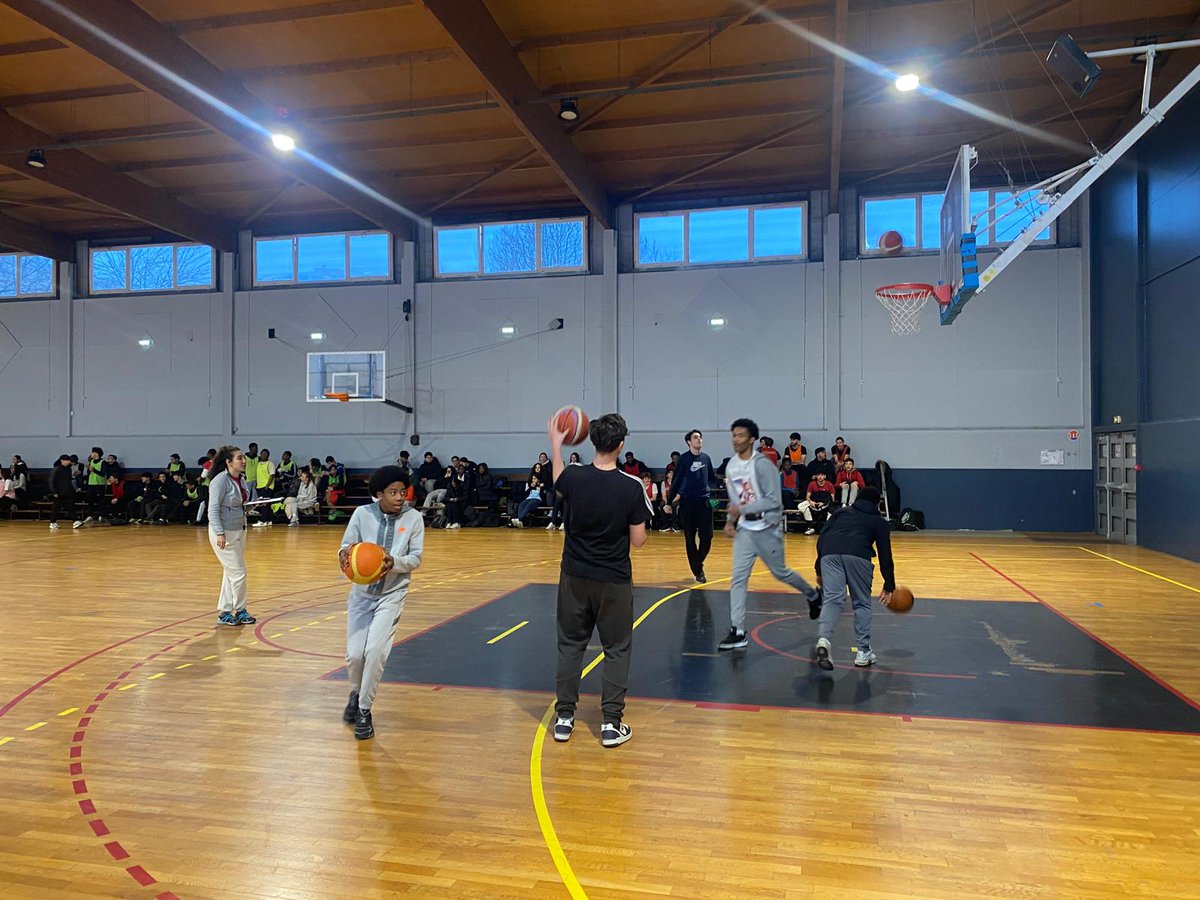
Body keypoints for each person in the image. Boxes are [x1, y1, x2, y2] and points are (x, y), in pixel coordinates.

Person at [548, 412, 651, 748]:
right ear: (621, 445)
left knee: (570, 644)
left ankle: (564, 718)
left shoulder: (574, 479)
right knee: (617, 648)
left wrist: (556, 444)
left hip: (574, 576)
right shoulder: (631, 486)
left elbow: (559, 480)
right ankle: (610, 724)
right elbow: (638, 540)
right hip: (613, 580)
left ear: (591, 441)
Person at [338, 465, 424, 741]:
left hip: (391, 595)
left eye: (403, 491)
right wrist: (343, 556)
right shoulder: (362, 514)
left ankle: (364, 709)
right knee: (355, 655)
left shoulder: (413, 519)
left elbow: (416, 558)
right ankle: (356, 691)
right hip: (362, 595)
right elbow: (347, 546)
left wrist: (394, 562)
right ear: (379, 494)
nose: (400, 497)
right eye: (393, 492)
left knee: (375, 650)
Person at [721, 418, 821, 650]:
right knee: (738, 578)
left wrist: (741, 510)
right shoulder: (731, 466)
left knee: (781, 573)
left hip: (767, 529)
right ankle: (737, 630)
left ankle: (813, 596)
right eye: (733, 435)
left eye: (740, 435)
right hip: (746, 530)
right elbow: (735, 499)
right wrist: (731, 520)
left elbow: (773, 500)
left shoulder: (763, 465)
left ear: (752, 439)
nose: (736, 439)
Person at [814, 486, 895, 670]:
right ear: (877, 503)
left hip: (830, 553)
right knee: (861, 603)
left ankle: (824, 640)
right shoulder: (879, 521)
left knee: (832, 601)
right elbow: (885, 554)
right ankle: (863, 652)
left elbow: (823, 538)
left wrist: (819, 568)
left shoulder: (840, 512)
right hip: (858, 555)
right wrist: (889, 584)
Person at [207, 446, 256, 627]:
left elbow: (239, 505)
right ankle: (241, 610)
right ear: (228, 462)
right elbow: (213, 509)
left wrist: (252, 506)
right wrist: (219, 533)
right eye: (239, 458)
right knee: (239, 573)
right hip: (224, 533)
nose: (243, 461)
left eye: (243, 458)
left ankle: (225, 612)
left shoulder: (240, 479)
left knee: (231, 572)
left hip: (238, 529)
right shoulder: (220, 481)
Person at [662, 429, 718, 584]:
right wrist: (669, 502)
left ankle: (697, 563)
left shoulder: (706, 458)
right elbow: (676, 482)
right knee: (690, 538)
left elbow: (712, 478)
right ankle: (697, 571)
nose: (699, 440)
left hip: (704, 503)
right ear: (689, 442)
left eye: (700, 437)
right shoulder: (684, 459)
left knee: (707, 537)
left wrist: (723, 482)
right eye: (696, 438)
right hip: (688, 503)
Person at [797, 470, 834, 535]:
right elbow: (807, 497)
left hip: (824, 503)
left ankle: (828, 529)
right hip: (814, 502)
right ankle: (810, 527)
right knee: (802, 506)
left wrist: (823, 503)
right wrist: (811, 502)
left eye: (822, 475)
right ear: (816, 476)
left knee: (831, 510)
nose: (820, 477)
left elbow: (832, 499)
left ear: (825, 476)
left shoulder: (829, 484)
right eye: (818, 475)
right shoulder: (812, 484)